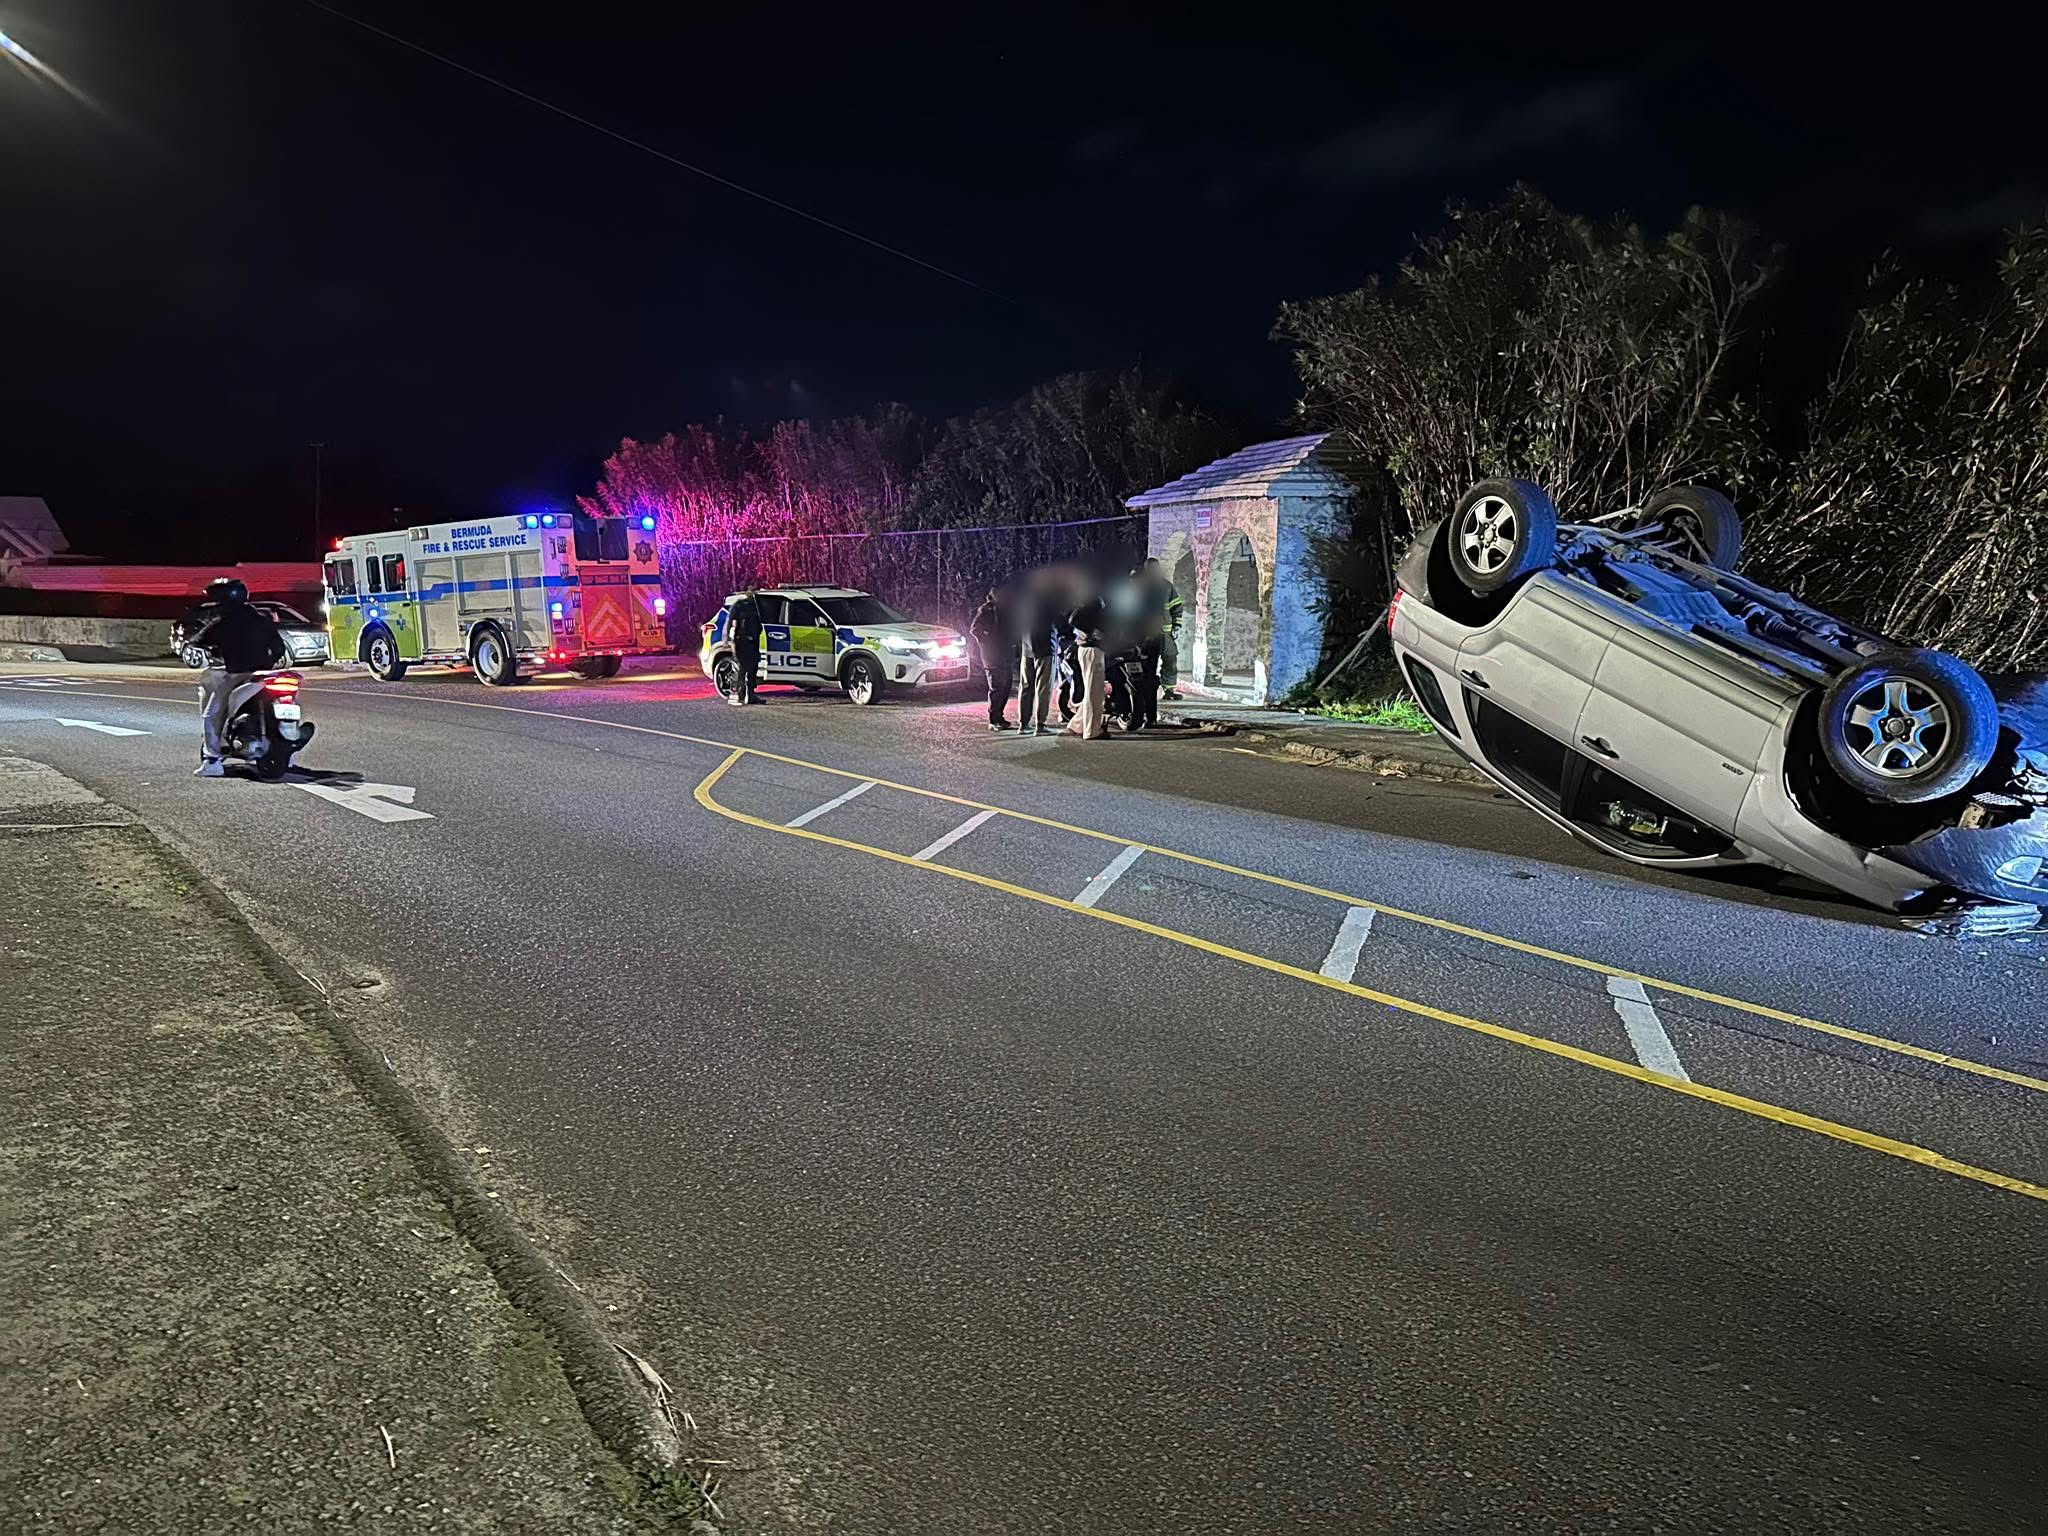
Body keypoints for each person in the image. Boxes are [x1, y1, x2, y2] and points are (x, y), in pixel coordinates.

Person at [186, 577, 285, 776]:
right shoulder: (259, 618)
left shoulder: (223, 622)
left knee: (211, 715)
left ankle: (212, 761)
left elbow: (197, 641)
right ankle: (285, 754)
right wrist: (266, 664)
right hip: (263, 674)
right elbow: (279, 648)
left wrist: (199, 648)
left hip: (237, 674)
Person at [1063, 593, 1110, 740]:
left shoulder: (1088, 600)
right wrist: (1092, 631)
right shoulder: (1094, 601)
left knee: (1093, 691)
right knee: (1094, 693)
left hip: (1087, 649)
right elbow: (1073, 619)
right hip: (1092, 650)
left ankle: (1077, 725)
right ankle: (1092, 730)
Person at [969, 587, 1014, 731]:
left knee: (1006, 686)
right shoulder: (986, 610)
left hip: (1006, 653)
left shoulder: (1007, 610)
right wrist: (988, 642)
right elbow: (975, 630)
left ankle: (1000, 717)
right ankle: (993, 720)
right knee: (996, 686)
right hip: (992, 655)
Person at [1016, 584, 1056, 737]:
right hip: (1045, 648)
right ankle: (1040, 725)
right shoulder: (1050, 601)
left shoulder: (1025, 602)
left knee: (1026, 687)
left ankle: (1023, 724)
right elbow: (1061, 622)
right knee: (1044, 687)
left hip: (1027, 648)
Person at [1149, 557, 1186, 700]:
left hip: (1165, 634)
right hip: (1147, 635)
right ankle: (1147, 690)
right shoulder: (1141, 586)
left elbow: (1176, 606)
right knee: (1148, 663)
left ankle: (1169, 690)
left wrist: (1176, 625)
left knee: (1170, 659)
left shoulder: (1166, 586)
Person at [728, 589, 763, 706]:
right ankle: (741, 693)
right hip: (742, 640)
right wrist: (728, 638)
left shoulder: (758, 605)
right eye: (751, 590)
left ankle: (750, 694)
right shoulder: (740, 605)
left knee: (753, 667)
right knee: (743, 667)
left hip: (753, 641)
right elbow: (730, 621)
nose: (753, 592)